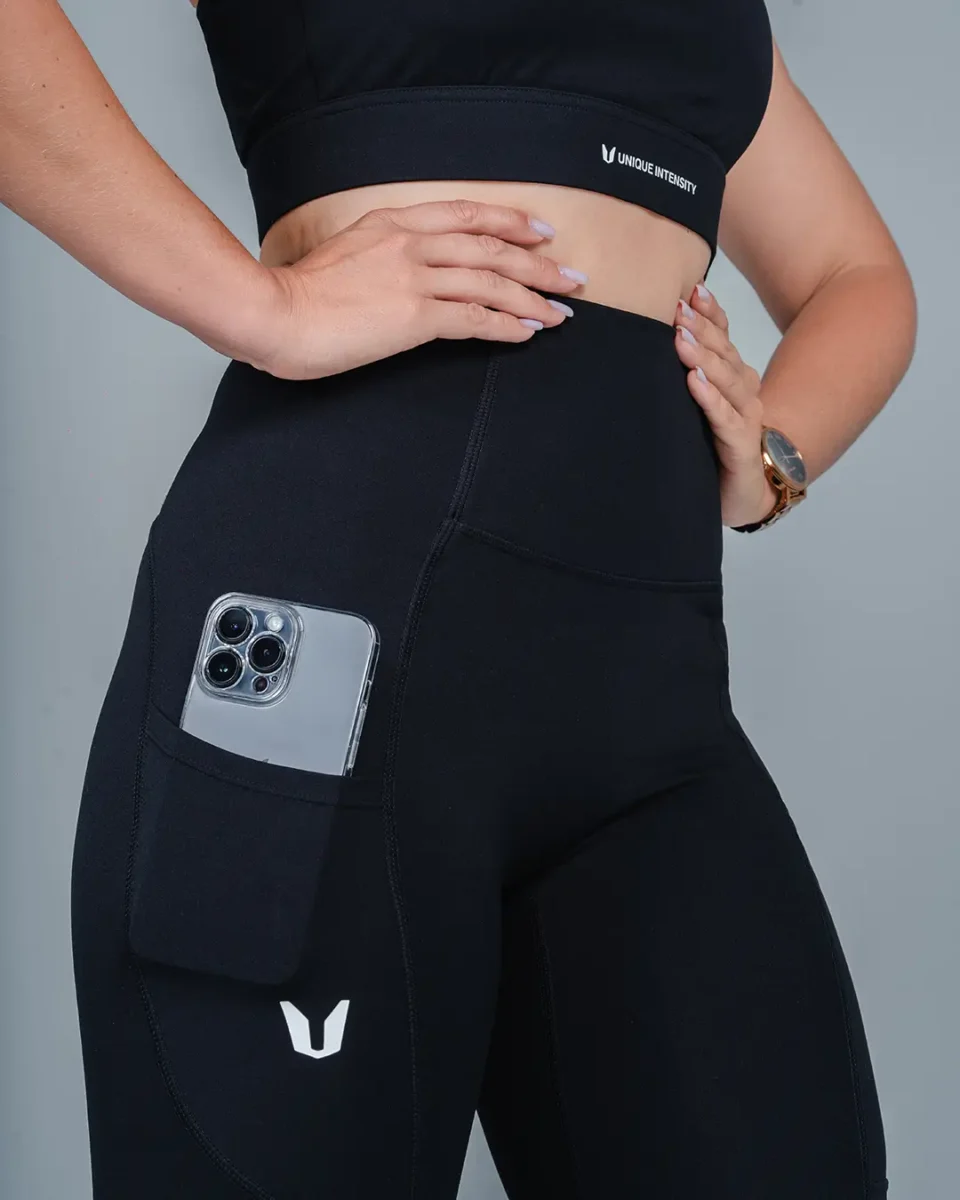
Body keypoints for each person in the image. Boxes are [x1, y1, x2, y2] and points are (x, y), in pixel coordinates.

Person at [3, 0, 915, 1196]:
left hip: (649, 696)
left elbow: (859, 274)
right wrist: (261, 307)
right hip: (333, 632)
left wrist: (773, 456)